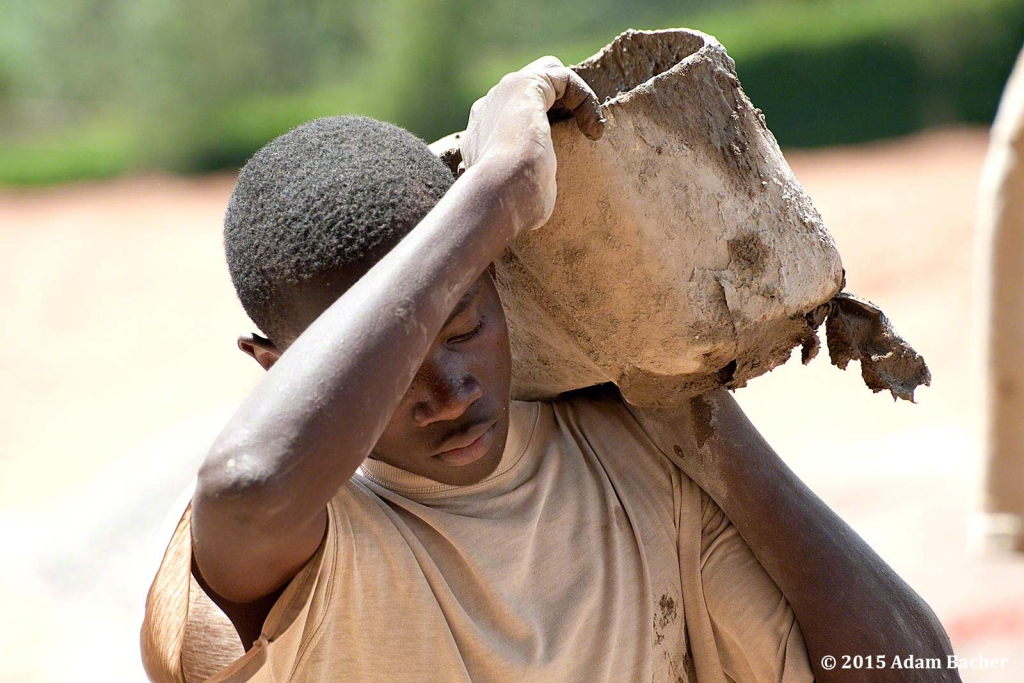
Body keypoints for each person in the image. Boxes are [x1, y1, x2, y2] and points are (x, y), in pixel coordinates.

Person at [142, 58, 959, 682]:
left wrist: (692, 409)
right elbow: (251, 482)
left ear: (502, 288)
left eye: (464, 325)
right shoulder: (312, 554)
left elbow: (916, 671)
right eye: (394, 365)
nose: (449, 388)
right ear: (276, 367)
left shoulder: (628, 464)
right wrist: (499, 192)